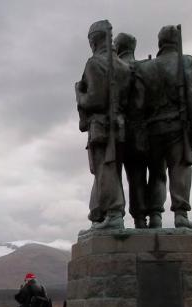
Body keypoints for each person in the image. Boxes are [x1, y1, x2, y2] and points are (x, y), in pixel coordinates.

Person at [142, 25, 192, 229]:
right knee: (179, 169)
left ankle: (155, 217)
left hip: (151, 129)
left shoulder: (145, 68)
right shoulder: (186, 62)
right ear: (176, 42)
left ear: (160, 43)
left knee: (156, 173)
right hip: (177, 126)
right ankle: (180, 214)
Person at [75, 20, 132, 230]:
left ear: (94, 39)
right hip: (122, 126)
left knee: (106, 168)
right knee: (110, 169)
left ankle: (114, 213)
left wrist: (80, 95)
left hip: (101, 125)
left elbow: (95, 100)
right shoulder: (124, 66)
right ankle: (99, 213)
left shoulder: (94, 63)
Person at [114, 32, 150, 229]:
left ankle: (115, 217)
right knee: (138, 176)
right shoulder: (146, 68)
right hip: (141, 130)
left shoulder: (115, 69)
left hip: (116, 129)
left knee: (113, 174)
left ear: (118, 48)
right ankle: (141, 219)